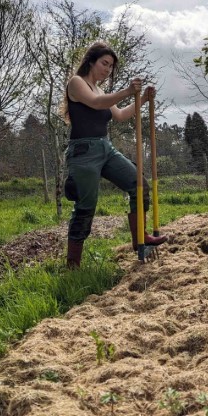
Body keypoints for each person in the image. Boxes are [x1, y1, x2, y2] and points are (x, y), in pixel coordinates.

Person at [61, 41, 168, 268]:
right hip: (83, 152)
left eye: (111, 66)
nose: (107, 69)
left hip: (105, 148)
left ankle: (140, 239)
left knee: (139, 184)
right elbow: (96, 103)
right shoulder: (76, 83)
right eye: (104, 63)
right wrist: (128, 91)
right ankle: (73, 265)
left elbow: (119, 115)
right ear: (91, 61)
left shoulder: (101, 90)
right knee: (85, 207)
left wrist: (143, 99)